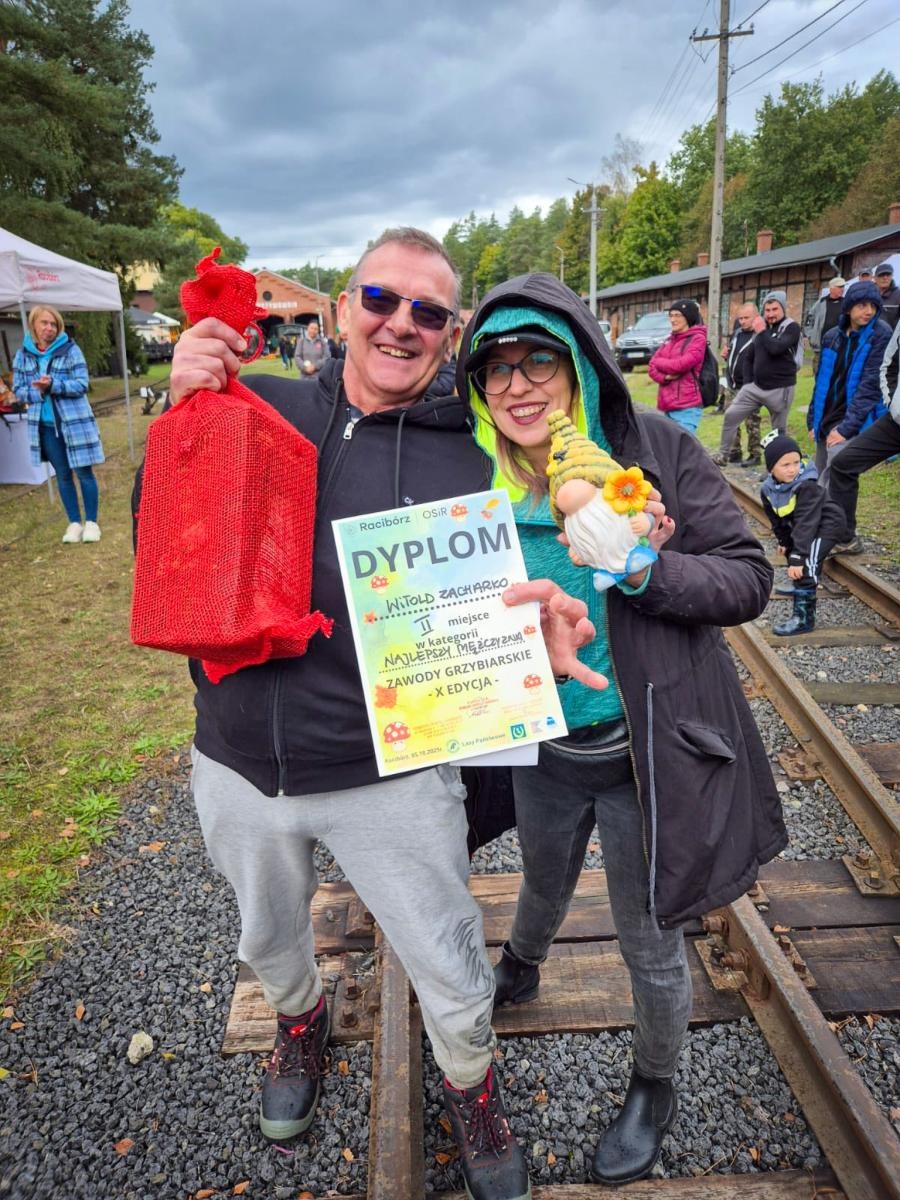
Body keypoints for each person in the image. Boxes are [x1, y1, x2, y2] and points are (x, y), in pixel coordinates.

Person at [141, 228, 617, 1200]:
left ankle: (473, 1084)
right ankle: (300, 1019)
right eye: (382, 299)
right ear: (342, 308)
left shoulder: (472, 455)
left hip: (387, 774)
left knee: (446, 952)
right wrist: (181, 404)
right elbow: (164, 520)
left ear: (449, 336)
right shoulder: (257, 403)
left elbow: (516, 580)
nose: (402, 322)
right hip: (238, 760)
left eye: (429, 311)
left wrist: (546, 633)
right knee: (267, 939)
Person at [457, 272, 786, 1186]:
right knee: (542, 874)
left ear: (579, 369)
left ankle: (655, 1080)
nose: (518, 386)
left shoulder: (657, 452)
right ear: (478, 388)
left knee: (650, 937)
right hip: (547, 748)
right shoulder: (469, 481)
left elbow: (747, 577)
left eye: (538, 363)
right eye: (497, 370)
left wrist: (643, 568)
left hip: (648, 752)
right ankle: (521, 963)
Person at [13, 305, 103, 543]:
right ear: (33, 325)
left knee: (84, 472)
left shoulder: (71, 350)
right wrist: (39, 392)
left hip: (74, 423)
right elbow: (19, 391)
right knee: (62, 475)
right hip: (44, 426)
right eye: (44, 323)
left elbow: (82, 384)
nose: (49, 328)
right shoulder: (23, 354)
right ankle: (74, 522)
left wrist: (54, 386)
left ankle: (92, 522)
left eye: (53, 324)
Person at [806, 280, 891, 507]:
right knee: (821, 468)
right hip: (827, 415)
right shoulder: (832, 336)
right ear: (849, 307)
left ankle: (835, 530)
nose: (869, 311)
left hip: (851, 417)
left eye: (873, 306)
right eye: (862, 305)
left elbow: (870, 386)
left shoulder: (880, 334)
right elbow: (821, 381)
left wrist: (846, 428)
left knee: (837, 473)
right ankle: (820, 522)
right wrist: (813, 419)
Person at [759, 433, 847, 635]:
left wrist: (798, 557)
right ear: (771, 468)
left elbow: (806, 523)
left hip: (827, 525)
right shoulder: (768, 489)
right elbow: (776, 519)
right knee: (792, 548)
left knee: (807, 562)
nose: (792, 469)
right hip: (806, 524)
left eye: (796, 462)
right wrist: (783, 540)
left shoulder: (806, 485)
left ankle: (804, 619)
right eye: (785, 465)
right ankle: (800, 584)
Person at [827, 318, 900, 552]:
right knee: (843, 463)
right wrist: (893, 404)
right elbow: (889, 363)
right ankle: (844, 536)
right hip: (896, 421)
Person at [712, 290, 800, 465]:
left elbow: (776, 348)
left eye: (775, 309)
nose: (771, 314)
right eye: (767, 310)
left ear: (782, 308)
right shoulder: (760, 331)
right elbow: (750, 357)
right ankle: (723, 455)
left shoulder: (791, 327)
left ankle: (774, 468)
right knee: (731, 415)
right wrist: (748, 384)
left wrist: (761, 331)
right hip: (756, 387)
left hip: (780, 388)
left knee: (778, 432)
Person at [646, 299, 706, 436]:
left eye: (677, 315)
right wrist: (665, 377)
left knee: (685, 450)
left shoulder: (697, 339)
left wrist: (660, 362)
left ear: (688, 317)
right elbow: (651, 367)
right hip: (666, 406)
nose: (673, 320)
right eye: (671, 315)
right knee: (669, 450)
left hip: (687, 408)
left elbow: (681, 365)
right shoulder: (669, 340)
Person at [721, 303, 763, 466]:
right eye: (740, 318)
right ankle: (734, 451)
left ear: (756, 317)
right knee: (731, 419)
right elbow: (734, 353)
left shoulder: (760, 335)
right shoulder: (737, 333)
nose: (743, 321)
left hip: (750, 387)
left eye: (746, 318)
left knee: (752, 422)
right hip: (732, 384)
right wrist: (726, 354)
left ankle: (754, 454)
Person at [804, 276, 845, 377]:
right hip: (821, 344)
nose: (842, 289)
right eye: (839, 287)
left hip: (840, 344)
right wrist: (810, 335)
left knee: (837, 372)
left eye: (843, 287)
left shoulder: (846, 303)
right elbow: (809, 319)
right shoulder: (820, 303)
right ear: (831, 288)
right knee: (819, 372)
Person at [873, 262, 900, 395]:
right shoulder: (871, 294)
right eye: (881, 275)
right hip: (872, 345)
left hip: (891, 349)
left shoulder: (898, 295)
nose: (885, 278)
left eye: (887, 275)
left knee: (888, 382)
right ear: (875, 278)